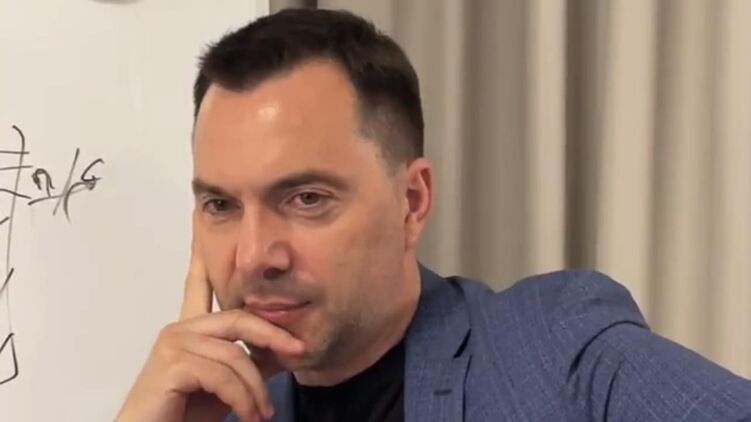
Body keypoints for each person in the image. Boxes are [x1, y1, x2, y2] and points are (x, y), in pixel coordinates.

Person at [116, 8, 751, 422]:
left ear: (412, 202)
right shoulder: (217, 408)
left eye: (306, 199)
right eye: (221, 205)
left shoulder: (553, 353)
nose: (256, 256)